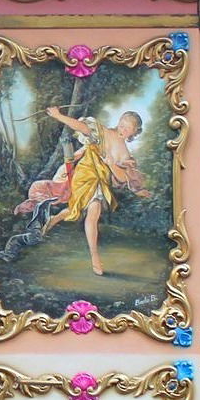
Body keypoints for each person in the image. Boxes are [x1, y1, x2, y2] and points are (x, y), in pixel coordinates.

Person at [13, 106, 150, 276]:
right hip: (84, 174)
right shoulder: (103, 132)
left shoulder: (125, 154)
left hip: (100, 181)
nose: (122, 129)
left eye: (127, 128)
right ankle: (95, 258)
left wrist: (111, 164)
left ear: (135, 132)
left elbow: (122, 178)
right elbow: (81, 127)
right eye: (121, 125)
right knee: (92, 212)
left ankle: (53, 219)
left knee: (75, 209)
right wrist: (58, 115)